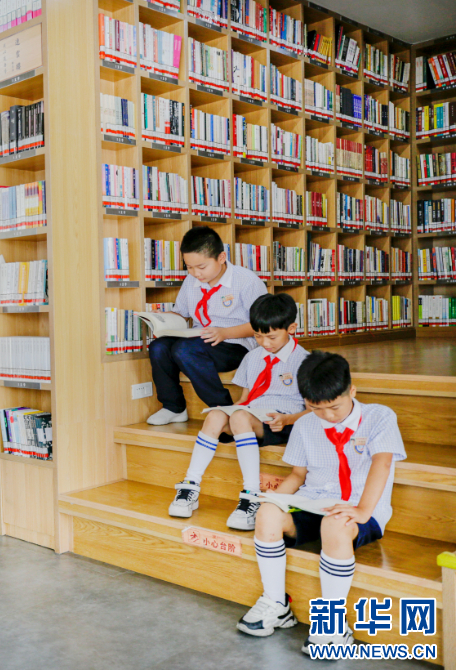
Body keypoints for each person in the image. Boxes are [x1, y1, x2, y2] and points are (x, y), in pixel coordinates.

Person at [237, 351, 406, 656]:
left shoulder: (380, 417)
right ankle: (276, 603)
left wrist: (362, 510)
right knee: (267, 514)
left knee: (335, 523)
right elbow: (297, 475)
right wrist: (275, 499)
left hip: (358, 509)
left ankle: (332, 623)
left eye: (334, 407)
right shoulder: (305, 425)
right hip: (313, 502)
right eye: (316, 408)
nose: (328, 416)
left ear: (352, 391)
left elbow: (382, 464)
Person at [169, 293, 310, 530]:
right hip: (253, 417)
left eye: (271, 337)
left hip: (286, 422)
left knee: (240, 416)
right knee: (216, 415)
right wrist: (230, 409)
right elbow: (245, 400)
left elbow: (315, 410)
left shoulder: (305, 361)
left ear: (292, 328)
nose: (265, 343)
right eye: (258, 336)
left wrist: (288, 419)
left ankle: (251, 495)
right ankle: (190, 485)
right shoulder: (252, 357)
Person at [147, 226, 268, 426]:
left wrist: (224, 333)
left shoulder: (246, 281)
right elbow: (181, 313)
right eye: (189, 267)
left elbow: (264, 325)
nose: (196, 273)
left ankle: (223, 409)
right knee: (158, 347)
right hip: (200, 339)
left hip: (235, 343)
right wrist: (162, 319)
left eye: (201, 267)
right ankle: (173, 407)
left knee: (184, 350)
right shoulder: (191, 280)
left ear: (221, 257)